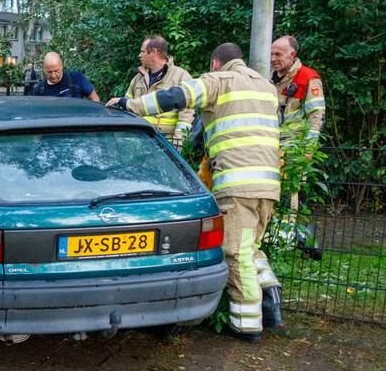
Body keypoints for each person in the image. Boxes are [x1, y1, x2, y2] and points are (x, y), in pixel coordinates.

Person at [108, 43, 282, 343]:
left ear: (216, 63)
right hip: (268, 184)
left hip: (237, 185)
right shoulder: (267, 87)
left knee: (236, 253)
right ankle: (272, 298)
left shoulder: (218, 81)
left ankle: (247, 324)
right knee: (250, 247)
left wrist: (129, 105)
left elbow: (175, 97)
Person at [123, 35, 195, 149]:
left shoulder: (181, 76)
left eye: (142, 51)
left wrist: (178, 146)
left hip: (166, 143)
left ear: (154, 52)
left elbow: (186, 116)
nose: (139, 55)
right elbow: (127, 107)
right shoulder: (138, 78)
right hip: (140, 141)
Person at [271, 35, 325, 144]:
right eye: (271, 54)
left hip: (294, 149)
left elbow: (316, 115)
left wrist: (308, 148)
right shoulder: (266, 78)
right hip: (268, 146)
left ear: (292, 55)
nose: (273, 59)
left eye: (278, 55)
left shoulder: (307, 77)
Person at [33, 52, 100, 101]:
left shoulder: (77, 78)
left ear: (61, 65)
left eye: (56, 71)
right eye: (49, 72)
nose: (53, 75)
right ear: (44, 69)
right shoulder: (38, 90)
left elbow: (95, 99)